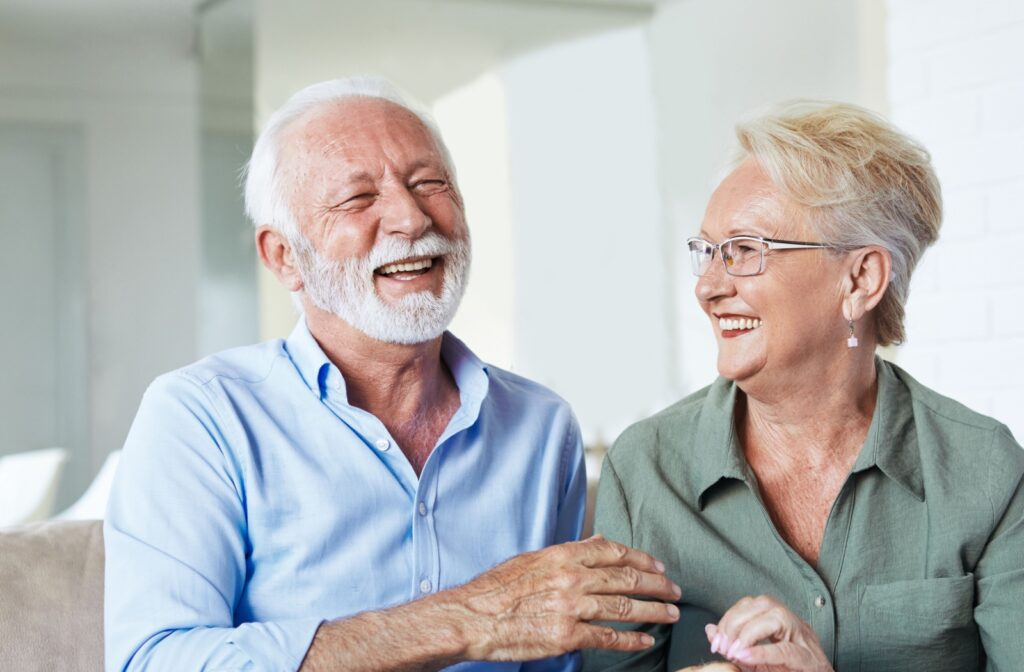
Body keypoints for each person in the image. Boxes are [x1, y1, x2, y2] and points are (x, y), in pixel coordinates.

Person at [103, 77, 682, 672]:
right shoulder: (200, 417)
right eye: (358, 199)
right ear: (284, 256)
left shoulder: (540, 424)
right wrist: (469, 617)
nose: (410, 217)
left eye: (429, 183)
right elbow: (155, 661)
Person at [583, 101, 1024, 671]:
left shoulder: (985, 470)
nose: (708, 287)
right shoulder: (645, 470)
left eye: (746, 251)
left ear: (860, 279)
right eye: (708, 253)